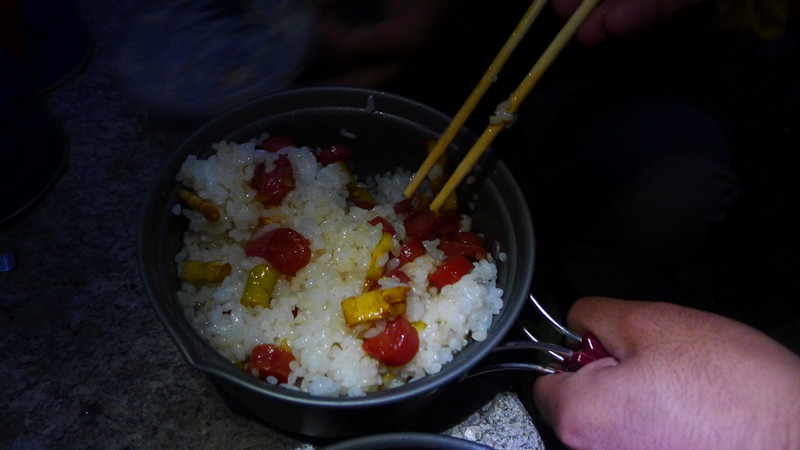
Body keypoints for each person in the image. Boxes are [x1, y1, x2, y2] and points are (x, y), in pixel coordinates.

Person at [303, 0, 800, 447]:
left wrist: (774, 427)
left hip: (667, 62)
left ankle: (572, 291)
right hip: (491, 31)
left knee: (675, 192)